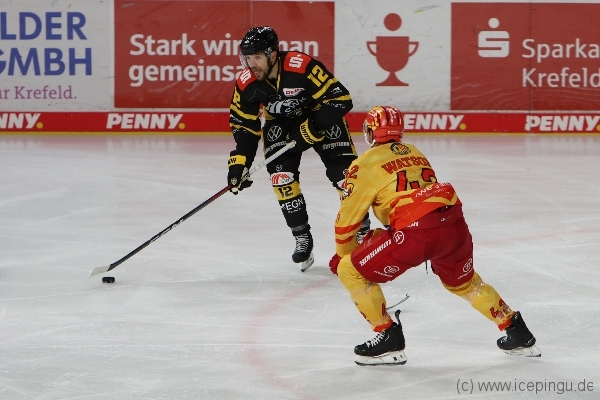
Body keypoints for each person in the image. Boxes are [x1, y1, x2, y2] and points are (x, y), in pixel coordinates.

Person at [329, 105, 541, 366]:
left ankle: (388, 338)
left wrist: (343, 256)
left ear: (371, 132)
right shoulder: (415, 153)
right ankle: (516, 331)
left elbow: (347, 222)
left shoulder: (363, 165)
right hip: (453, 226)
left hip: (416, 233)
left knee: (350, 271)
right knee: (465, 284)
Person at [227, 26, 370, 271]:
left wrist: (311, 127)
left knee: (345, 176)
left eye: (257, 57)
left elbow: (340, 99)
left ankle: (362, 231)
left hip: (321, 117)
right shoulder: (247, 82)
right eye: (247, 58)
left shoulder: (301, 66)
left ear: (273, 55)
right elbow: (244, 126)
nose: (251, 64)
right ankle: (302, 236)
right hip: (280, 125)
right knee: (282, 177)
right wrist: (240, 162)